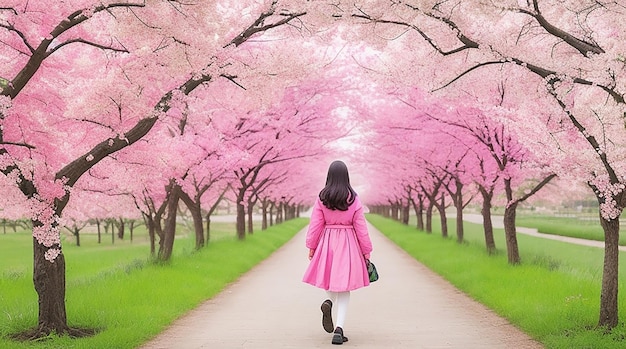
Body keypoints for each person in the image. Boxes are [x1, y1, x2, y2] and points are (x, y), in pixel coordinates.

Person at [302, 160, 373, 345]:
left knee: (330, 279)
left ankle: (329, 302)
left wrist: (311, 245)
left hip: (327, 241)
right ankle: (339, 329)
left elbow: (315, 224)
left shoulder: (322, 197)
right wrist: (366, 251)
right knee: (344, 286)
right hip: (348, 242)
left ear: (329, 176)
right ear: (346, 176)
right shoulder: (353, 199)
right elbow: (361, 228)